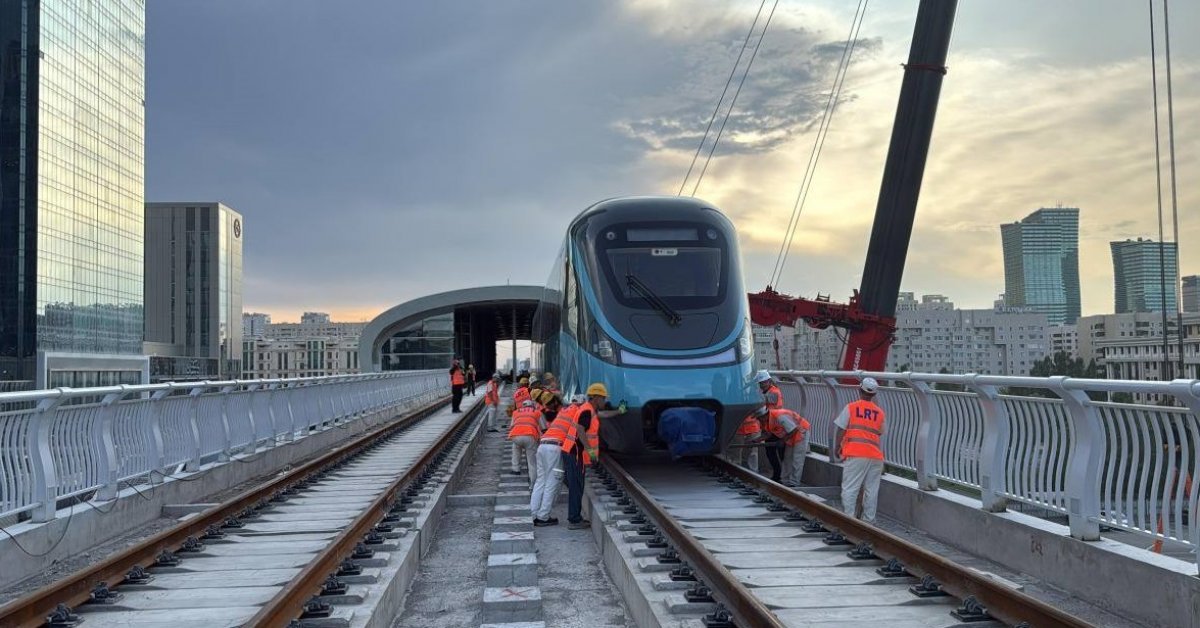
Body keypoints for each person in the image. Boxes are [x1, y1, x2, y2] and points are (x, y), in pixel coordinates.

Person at [833, 377, 886, 522]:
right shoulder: (880, 413)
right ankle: (869, 521)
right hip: (875, 456)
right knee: (871, 491)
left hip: (856, 454)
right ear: (874, 394)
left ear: (859, 390)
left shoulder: (851, 407)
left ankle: (849, 520)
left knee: (850, 488)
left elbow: (841, 429)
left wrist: (837, 446)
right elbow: (880, 432)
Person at [755, 406, 810, 487]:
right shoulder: (767, 420)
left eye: (759, 418)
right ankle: (785, 481)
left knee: (797, 459)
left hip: (801, 432)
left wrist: (782, 441)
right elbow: (768, 434)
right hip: (790, 435)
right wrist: (756, 440)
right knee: (787, 459)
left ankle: (794, 483)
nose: (758, 420)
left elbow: (794, 429)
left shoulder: (779, 417)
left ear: (764, 415)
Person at [508, 398, 547, 486]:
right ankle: (533, 482)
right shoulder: (537, 412)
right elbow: (544, 428)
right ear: (532, 406)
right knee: (532, 461)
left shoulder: (516, 412)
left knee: (516, 447)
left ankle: (515, 468)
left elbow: (511, 426)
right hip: (530, 436)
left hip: (515, 435)